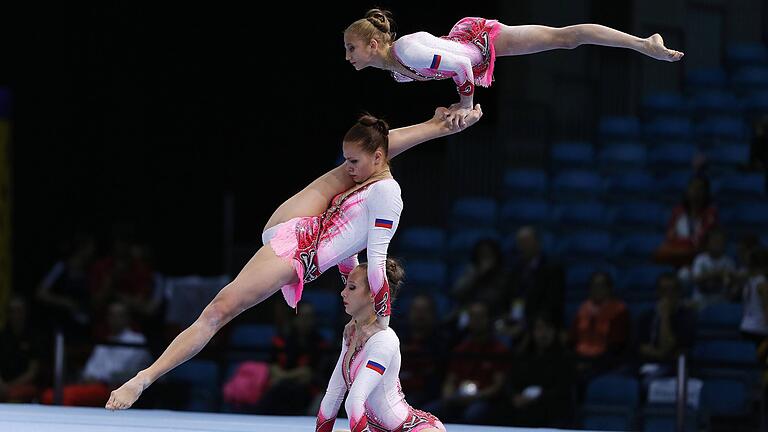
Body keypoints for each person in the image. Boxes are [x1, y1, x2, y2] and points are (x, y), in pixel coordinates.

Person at [105, 105, 484, 410]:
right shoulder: (364, 181)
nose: (349, 167)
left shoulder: (385, 193)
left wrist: (380, 319)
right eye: (348, 160)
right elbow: (350, 245)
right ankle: (438, 125)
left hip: (299, 248)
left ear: (376, 159)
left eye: (355, 161)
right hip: (300, 230)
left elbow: (374, 254)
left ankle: (143, 378)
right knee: (350, 168)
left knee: (218, 311)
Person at [344, 9, 683, 126]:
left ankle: (644, 43)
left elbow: (462, 63)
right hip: (468, 46)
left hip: (479, 42)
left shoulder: (406, 52)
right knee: (563, 40)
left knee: (564, 38)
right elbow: (454, 67)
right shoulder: (398, 72)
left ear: (373, 45)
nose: (348, 56)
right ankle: (642, 44)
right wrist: (454, 106)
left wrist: (464, 104)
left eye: (351, 48)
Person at [316, 259, 445, 432]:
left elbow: (354, 400)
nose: (342, 293)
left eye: (352, 287)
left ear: (373, 294)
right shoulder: (350, 334)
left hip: (412, 428)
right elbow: (332, 397)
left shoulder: (384, 339)